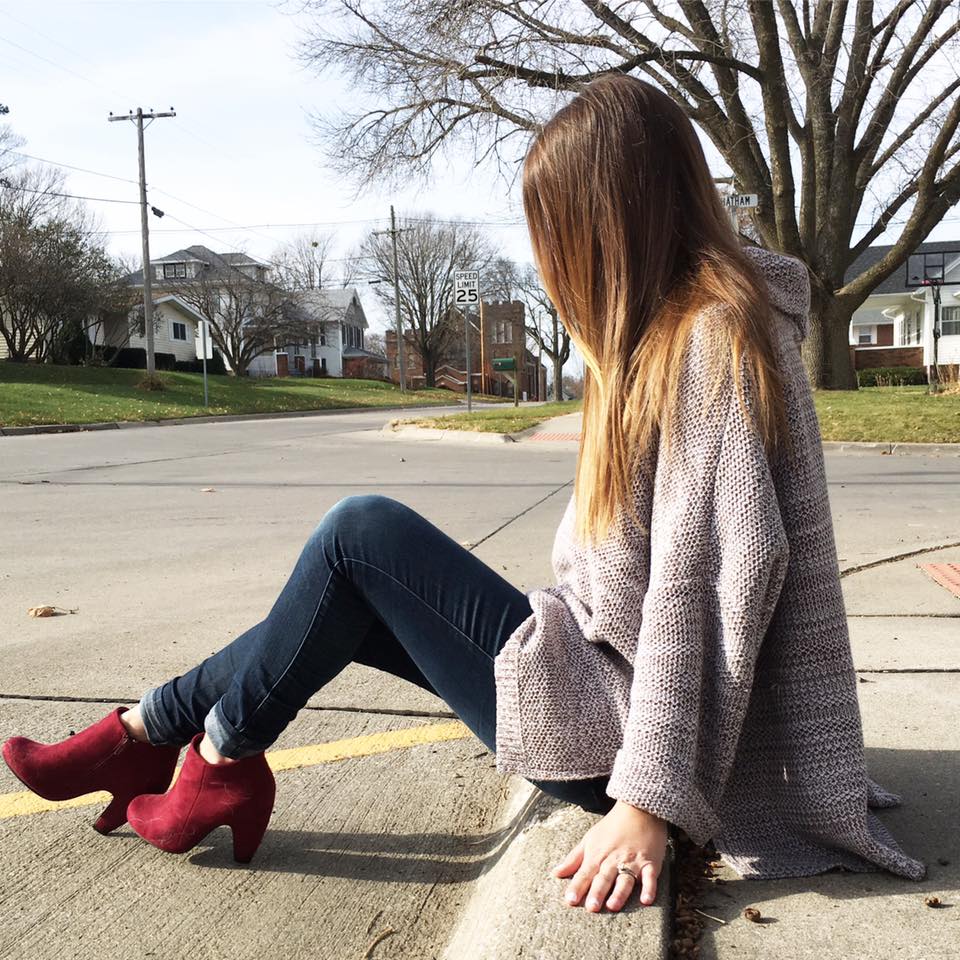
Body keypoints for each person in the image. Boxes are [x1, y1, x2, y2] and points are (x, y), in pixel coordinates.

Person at [2, 74, 924, 915]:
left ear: (608, 224)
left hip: (629, 741)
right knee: (348, 591)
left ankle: (200, 753)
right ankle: (151, 735)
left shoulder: (709, 341)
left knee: (359, 535)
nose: (550, 262)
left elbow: (708, 583)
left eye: (556, 231)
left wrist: (647, 802)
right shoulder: (680, 328)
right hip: (607, 689)